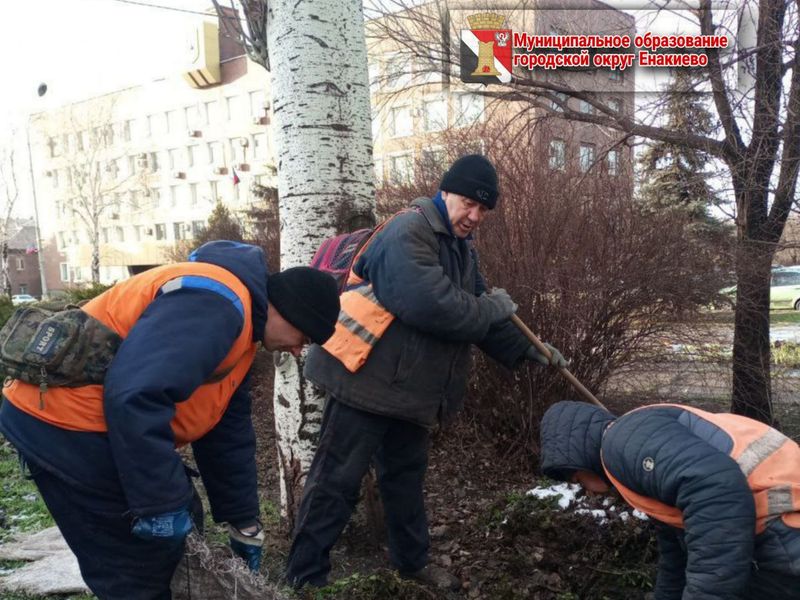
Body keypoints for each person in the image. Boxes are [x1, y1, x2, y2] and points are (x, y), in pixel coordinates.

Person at [285, 155, 567, 590]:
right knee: (335, 482)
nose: (474, 216)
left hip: (409, 391)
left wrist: (531, 350)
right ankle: (304, 577)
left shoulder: (461, 249)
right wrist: (493, 306)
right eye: (469, 203)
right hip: (365, 382)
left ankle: (411, 565)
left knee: (405, 483)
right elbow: (432, 306)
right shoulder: (409, 230)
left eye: (483, 210)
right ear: (446, 191)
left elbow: (481, 318)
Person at [0, 240, 341, 600]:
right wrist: (158, 506)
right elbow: (135, 394)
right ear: (287, 311)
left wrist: (243, 519)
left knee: (182, 523)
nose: (297, 350)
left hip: (95, 421)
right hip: (62, 422)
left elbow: (227, 428)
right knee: (135, 568)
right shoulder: (218, 307)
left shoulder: (242, 331)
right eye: (302, 337)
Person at [539, 400, 800, 599]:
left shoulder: (622, 443)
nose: (585, 489)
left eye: (575, 479)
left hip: (784, 524)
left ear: (578, 461)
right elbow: (675, 554)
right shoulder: (633, 452)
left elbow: (717, 493)